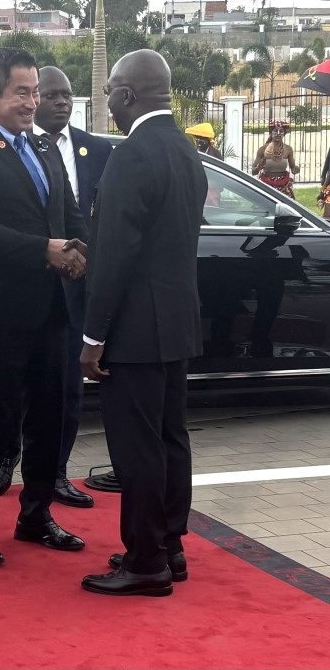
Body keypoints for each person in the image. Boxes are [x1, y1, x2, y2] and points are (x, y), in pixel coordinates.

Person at [0, 48, 88, 568]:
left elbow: (71, 215)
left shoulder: (47, 150)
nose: (33, 102)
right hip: (1, 313)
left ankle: (36, 515)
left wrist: (80, 252)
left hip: (52, 310)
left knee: (50, 418)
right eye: (22, 92)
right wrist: (44, 250)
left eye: (36, 92)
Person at [80, 50, 206, 598]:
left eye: (110, 89)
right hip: (175, 323)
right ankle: (170, 545)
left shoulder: (131, 157)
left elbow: (114, 257)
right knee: (170, 439)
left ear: (128, 95)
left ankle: (146, 560)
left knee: (137, 448)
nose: (106, 99)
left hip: (134, 330)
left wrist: (92, 337)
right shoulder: (185, 150)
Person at [0, 65, 111, 509]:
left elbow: (97, 219)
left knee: (65, 389)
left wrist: (89, 262)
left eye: (67, 95)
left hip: (74, 289)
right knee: (13, 386)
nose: (62, 102)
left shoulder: (96, 150)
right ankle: (7, 455)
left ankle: (55, 473)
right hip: (24, 285)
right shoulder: (12, 150)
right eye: (52, 95)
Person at [251, 120, 299, 198]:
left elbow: (293, 168)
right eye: (275, 131)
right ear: (271, 132)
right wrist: (259, 166)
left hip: (284, 186)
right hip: (267, 186)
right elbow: (253, 172)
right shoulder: (263, 149)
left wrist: (296, 169)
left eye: (281, 131)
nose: (278, 134)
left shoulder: (288, 149)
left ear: (284, 134)